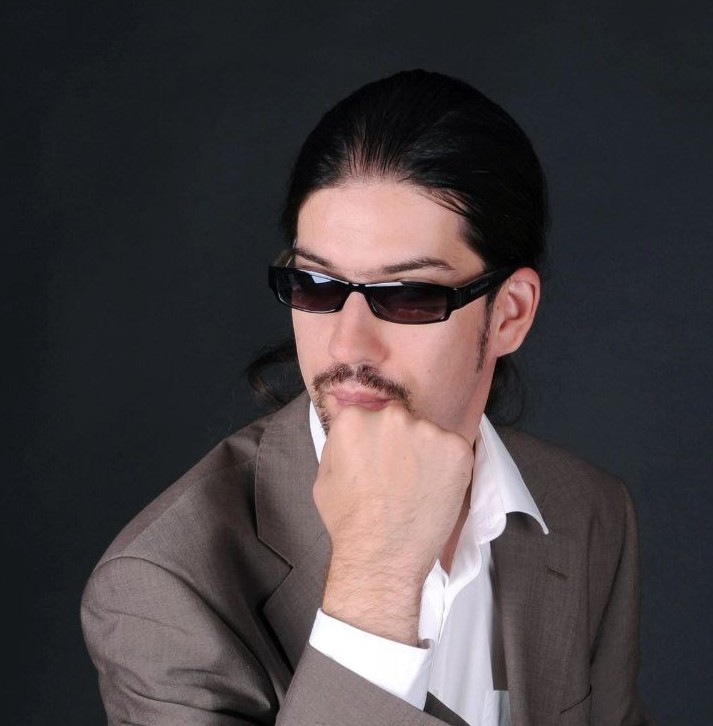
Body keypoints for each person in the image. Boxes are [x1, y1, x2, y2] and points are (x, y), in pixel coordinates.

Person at [81, 70, 653, 725]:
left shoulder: (588, 511)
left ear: (509, 314)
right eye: (317, 285)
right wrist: (373, 587)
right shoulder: (160, 585)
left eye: (408, 295)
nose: (347, 343)